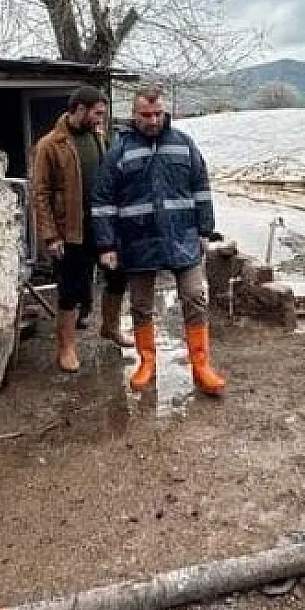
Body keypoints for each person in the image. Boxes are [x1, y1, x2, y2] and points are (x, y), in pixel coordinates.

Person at [92, 85, 227, 395]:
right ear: (133, 114)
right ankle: (147, 362)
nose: (152, 120)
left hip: (183, 239)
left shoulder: (183, 144)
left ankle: (201, 366)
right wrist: (107, 245)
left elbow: (201, 189)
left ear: (164, 112)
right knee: (141, 305)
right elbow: (103, 201)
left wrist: (205, 231)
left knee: (195, 297)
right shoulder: (120, 151)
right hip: (138, 243)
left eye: (157, 114)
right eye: (145, 115)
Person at [31, 85, 132, 372]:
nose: (101, 119)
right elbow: (40, 194)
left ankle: (110, 327)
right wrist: (50, 235)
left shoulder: (100, 137)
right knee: (71, 289)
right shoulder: (50, 144)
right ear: (79, 109)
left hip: (103, 227)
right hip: (71, 230)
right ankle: (67, 348)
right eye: (97, 113)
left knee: (117, 276)